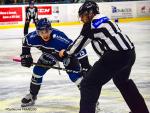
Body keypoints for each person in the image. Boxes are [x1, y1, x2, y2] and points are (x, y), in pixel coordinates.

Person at [59, 1, 149, 113]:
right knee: (122, 81)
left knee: (88, 84)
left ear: (90, 13)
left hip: (115, 57)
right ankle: (140, 111)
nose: (82, 19)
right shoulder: (105, 19)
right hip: (130, 53)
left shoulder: (90, 25)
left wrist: (66, 53)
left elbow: (79, 44)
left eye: (83, 15)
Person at [20, 18, 92, 107]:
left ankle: (91, 100)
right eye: (41, 32)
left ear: (51, 30)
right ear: (37, 32)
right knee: (37, 72)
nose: (45, 34)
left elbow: (79, 49)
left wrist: (85, 66)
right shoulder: (33, 37)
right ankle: (32, 95)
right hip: (49, 55)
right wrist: (26, 56)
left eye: (46, 31)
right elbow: (25, 41)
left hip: (66, 56)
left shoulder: (59, 39)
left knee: (75, 77)